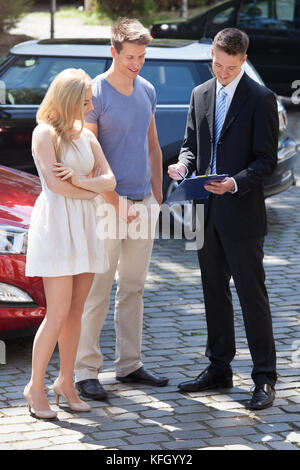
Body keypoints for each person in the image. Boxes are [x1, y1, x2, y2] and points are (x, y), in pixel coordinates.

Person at [168, 28, 278, 410]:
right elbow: (190, 145)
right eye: (216, 64)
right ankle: (219, 369)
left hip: (242, 214)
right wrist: (182, 167)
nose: (222, 72)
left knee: (252, 298)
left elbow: (267, 162)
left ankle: (264, 378)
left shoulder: (261, 98)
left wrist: (234, 182)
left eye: (229, 67)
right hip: (204, 213)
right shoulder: (200, 93)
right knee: (214, 295)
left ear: (243, 60)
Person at [74, 18, 168, 401]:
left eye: (142, 57)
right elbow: (93, 161)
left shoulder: (146, 88)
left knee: (133, 288)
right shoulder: (94, 94)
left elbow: (153, 146)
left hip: (143, 204)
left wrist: (157, 196)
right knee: (97, 289)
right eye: (130, 57)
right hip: (107, 207)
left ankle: (129, 365)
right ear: (113, 52)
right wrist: (118, 204)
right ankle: (85, 370)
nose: (137, 64)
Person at [24, 68, 116, 419]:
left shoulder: (88, 138)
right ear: (66, 100)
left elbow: (110, 180)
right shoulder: (44, 134)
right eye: (84, 101)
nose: (89, 107)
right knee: (58, 312)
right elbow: (56, 187)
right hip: (58, 227)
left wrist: (80, 180)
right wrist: (89, 187)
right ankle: (35, 386)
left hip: (87, 225)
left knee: (77, 310)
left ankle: (66, 381)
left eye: (90, 100)